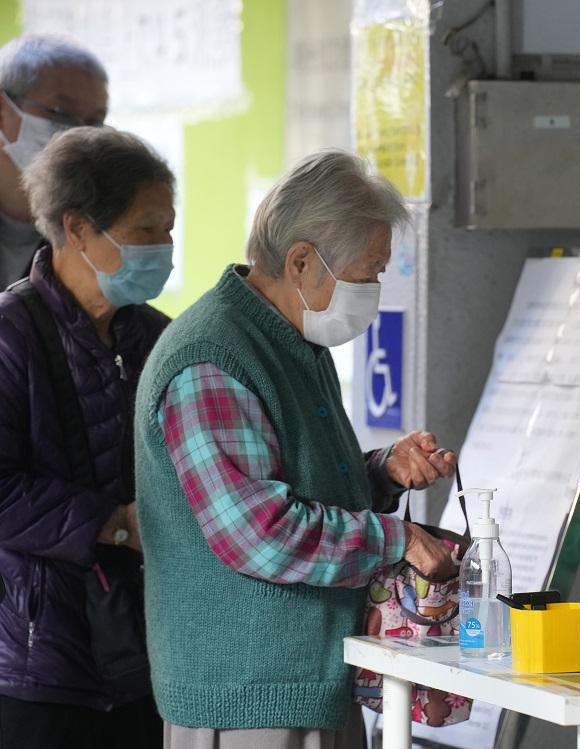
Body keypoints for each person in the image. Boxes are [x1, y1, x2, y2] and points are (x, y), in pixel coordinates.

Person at [135, 149, 458, 748]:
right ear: (302, 261)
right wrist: (401, 539)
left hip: (309, 680)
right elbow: (258, 532)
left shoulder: (293, 343)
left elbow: (294, 487)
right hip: (247, 698)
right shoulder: (212, 359)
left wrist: (382, 473)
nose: (374, 291)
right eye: (367, 273)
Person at [0, 126, 176, 748]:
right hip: (40, 662)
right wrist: (114, 522)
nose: (166, 247)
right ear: (78, 229)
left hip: (151, 650)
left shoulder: (160, 338)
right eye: (145, 230)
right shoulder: (10, 335)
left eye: (169, 228)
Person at [0, 33, 108, 287]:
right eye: (61, 112)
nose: (79, 133)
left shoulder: (87, 233)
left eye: (95, 122)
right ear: (3, 114)